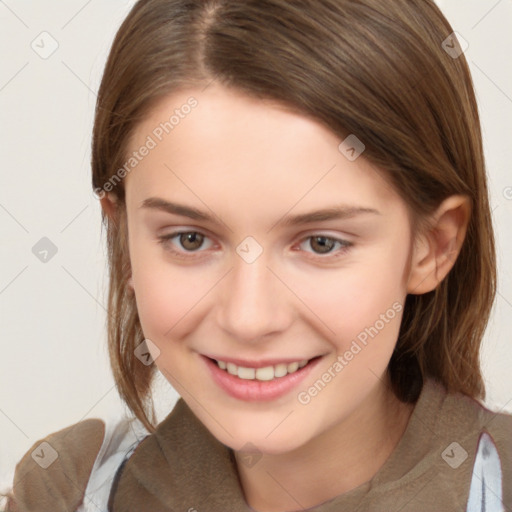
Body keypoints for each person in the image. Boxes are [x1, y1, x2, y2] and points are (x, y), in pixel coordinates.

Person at [4, 0, 511, 510]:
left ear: (434, 246)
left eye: (321, 243)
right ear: (124, 239)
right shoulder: (66, 495)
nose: (249, 319)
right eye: (190, 239)